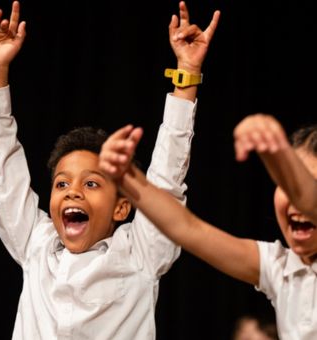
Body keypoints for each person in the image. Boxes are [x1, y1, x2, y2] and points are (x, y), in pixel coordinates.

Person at [0, 1, 220, 339]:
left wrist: (187, 74)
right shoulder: (38, 244)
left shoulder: (141, 254)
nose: (72, 191)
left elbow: (166, 181)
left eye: (92, 184)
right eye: (61, 184)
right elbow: (3, 180)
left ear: (122, 206)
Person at [98, 116, 317, 340]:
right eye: (282, 185)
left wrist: (276, 155)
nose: (292, 198)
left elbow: (308, 200)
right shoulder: (280, 267)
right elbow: (186, 227)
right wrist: (127, 177)